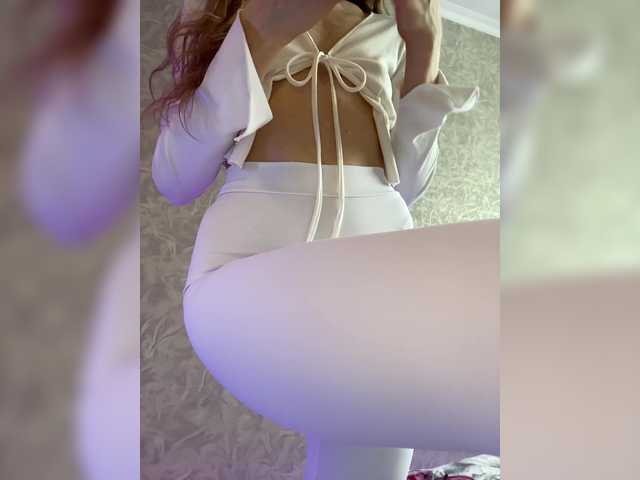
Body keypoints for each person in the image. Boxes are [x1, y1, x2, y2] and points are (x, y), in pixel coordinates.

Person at [150, 1, 494, 478]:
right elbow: (174, 177)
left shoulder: (389, 22)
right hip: (250, 255)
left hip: (378, 251)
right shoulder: (218, 6)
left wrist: (424, 42)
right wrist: (259, 33)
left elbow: (407, 184)